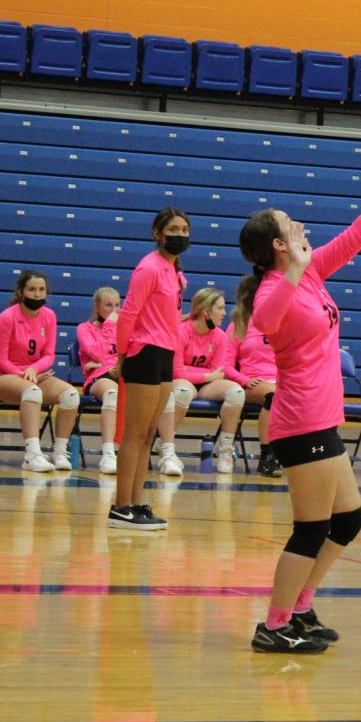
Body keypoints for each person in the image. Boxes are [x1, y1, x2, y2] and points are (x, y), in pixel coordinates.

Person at [239, 141, 361, 653]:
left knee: (349, 520)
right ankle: (272, 626)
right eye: (289, 224)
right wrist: (294, 268)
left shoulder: (311, 270)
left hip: (324, 418)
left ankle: (300, 608)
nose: (300, 227)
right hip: (299, 421)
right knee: (310, 528)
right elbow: (267, 324)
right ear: (277, 245)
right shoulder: (274, 287)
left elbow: (358, 234)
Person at [110, 207, 188, 531]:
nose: (181, 235)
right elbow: (129, 314)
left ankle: (137, 503)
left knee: (149, 435)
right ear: (158, 233)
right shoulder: (149, 268)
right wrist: (122, 355)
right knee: (135, 434)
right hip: (144, 353)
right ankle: (120, 506)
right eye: (174, 229)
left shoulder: (174, 271)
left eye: (185, 229)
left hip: (165, 354)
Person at [0, 270, 80, 472]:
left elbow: (49, 355)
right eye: (32, 289)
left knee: (71, 395)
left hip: (33, 374)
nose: (37, 294)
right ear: (21, 292)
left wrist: (33, 370)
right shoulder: (7, 317)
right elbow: (0, 359)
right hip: (2, 375)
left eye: (41, 290)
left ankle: (60, 452)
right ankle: (32, 454)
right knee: (32, 391)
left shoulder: (49, 316)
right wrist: (25, 375)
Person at [166, 287, 246, 475]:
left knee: (236, 392)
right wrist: (206, 376)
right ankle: (167, 445)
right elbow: (177, 372)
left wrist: (198, 374)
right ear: (206, 312)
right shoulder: (181, 331)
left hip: (205, 384)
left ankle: (225, 448)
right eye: (220, 308)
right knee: (183, 392)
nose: (224, 313)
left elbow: (218, 372)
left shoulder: (219, 335)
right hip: (183, 382)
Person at [229, 276, 280, 478]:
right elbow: (225, 365)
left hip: (282, 380)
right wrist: (243, 380)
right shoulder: (239, 324)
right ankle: (267, 456)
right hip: (253, 383)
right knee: (273, 396)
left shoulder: (280, 321)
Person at [77, 286, 122, 474]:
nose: (114, 311)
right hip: (99, 378)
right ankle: (109, 453)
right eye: (108, 305)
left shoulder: (125, 328)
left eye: (117, 305)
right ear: (97, 306)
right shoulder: (84, 329)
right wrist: (110, 325)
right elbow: (96, 352)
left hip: (121, 373)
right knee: (112, 394)